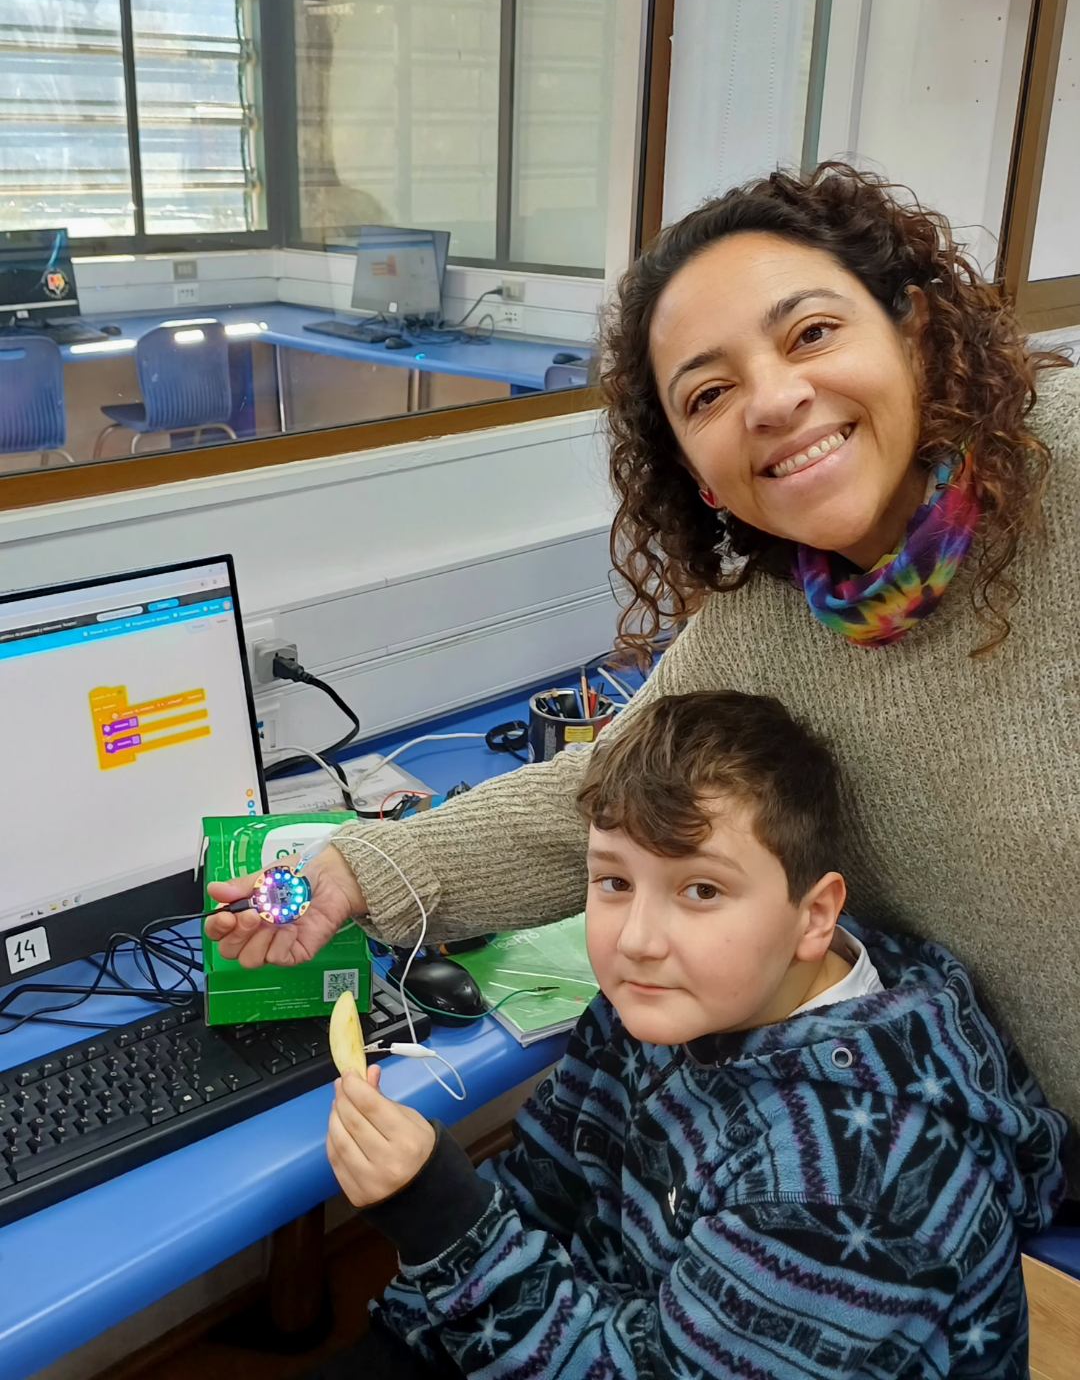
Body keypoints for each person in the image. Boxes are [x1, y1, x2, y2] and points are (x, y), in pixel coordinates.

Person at [207, 162, 1080, 1159]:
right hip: (1004, 1150)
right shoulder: (771, 623)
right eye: (709, 393)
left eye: (811, 334)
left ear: (914, 331)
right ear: (696, 471)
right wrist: (356, 869)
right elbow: (594, 796)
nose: (773, 400)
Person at [302, 693, 1066, 1380]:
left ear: (814, 915)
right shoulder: (684, 997)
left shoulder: (844, 1192)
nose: (637, 939)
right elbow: (550, 1180)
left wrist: (444, 1224)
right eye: (615, 882)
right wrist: (434, 1295)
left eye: (701, 889)